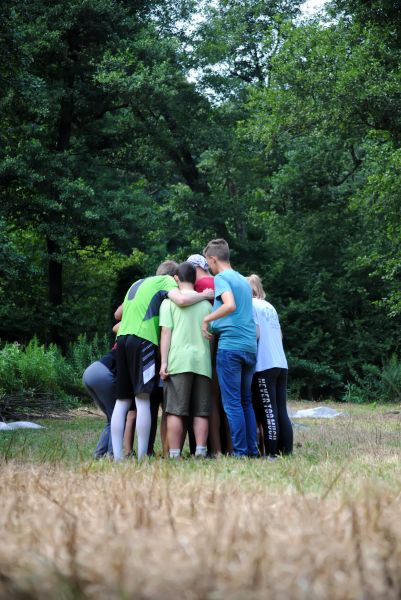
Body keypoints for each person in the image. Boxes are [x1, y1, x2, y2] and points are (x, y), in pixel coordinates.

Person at [110, 260, 213, 461]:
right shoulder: (166, 282)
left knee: (122, 401)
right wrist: (204, 295)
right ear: (175, 278)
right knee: (142, 399)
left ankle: (117, 456)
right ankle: (141, 456)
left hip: (122, 340)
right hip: (143, 340)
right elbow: (181, 301)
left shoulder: (138, 283)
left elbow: (117, 314)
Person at [201, 239, 258, 457]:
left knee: (232, 403)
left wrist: (207, 319)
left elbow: (229, 305)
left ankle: (241, 453)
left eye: (209, 263)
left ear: (213, 259)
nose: (209, 268)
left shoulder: (222, 277)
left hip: (231, 347)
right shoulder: (243, 280)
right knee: (246, 402)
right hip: (249, 347)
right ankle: (252, 451)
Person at [159, 262, 212, 459]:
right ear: (195, 279)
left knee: (175, 410)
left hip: (178, 361)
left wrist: (163, 362)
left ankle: (174, 453)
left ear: (176, 279)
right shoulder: (207, 304)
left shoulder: (168, 303)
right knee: (201, 410)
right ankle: (200, 450)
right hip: (203, 362)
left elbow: (166, 332)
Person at [247, 274, 293, 458]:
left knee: (268, 409)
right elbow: (280, 335)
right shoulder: (269, 306)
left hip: (264, 364)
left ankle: (272, 452)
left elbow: (256, 333)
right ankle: (287, 451)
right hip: (281, 363)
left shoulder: (251, 306)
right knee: (281, 408)